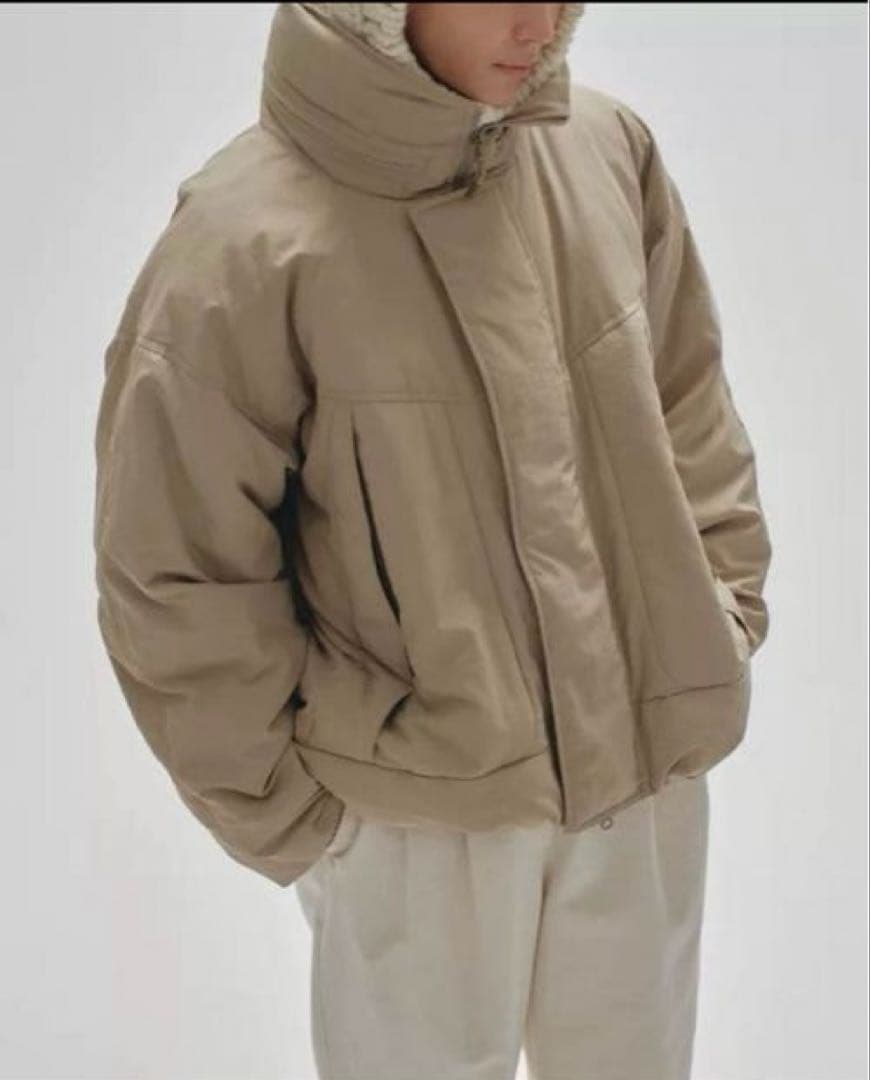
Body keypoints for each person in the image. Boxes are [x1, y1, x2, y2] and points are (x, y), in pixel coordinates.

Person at [92, 3, 773, 1077]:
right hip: (413, 815)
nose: (538, 22)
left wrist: (716, 612)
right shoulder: (246, 239)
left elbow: (689, 402)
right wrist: (302, 814)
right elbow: (174, 567)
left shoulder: (606, 151)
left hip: (643, 779)